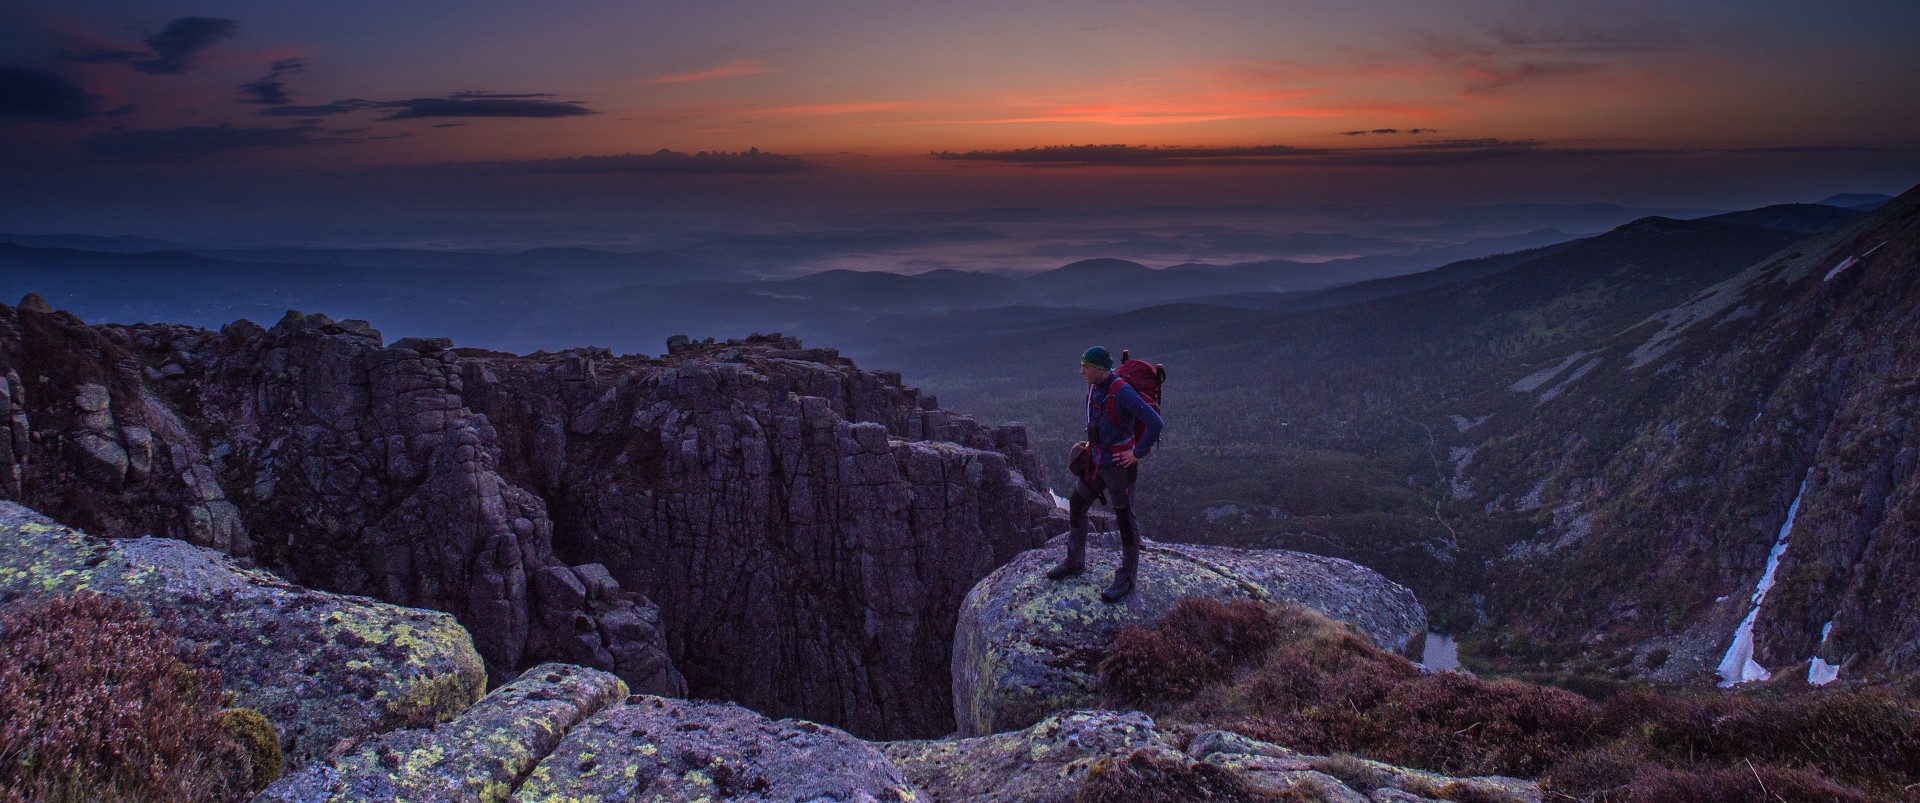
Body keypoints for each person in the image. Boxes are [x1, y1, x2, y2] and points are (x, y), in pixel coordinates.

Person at [1048, 345, 1164, 602]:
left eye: (1085, 367)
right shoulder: (1094, 387)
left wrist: (1137, 453)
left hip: (1120, 466)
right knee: (1077, 504)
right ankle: (1074, 561)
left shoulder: (1122, 391)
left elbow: (1155, 422)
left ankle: (1126, 579)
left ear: (1099, 369)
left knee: (1125, 519)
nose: (1081, 372)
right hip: (1097, 461)